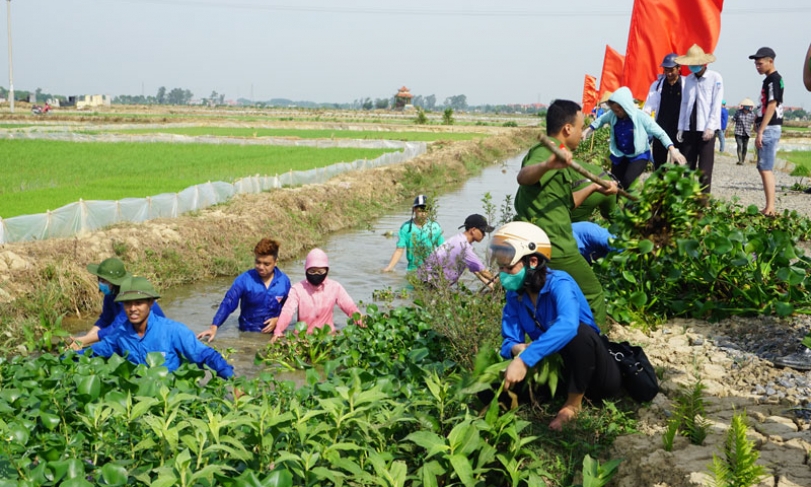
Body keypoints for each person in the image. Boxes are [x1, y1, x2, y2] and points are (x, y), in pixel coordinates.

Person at [492, 222, 622, 431]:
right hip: (560, 367)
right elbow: (509, 341)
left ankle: (573, 405)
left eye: (509, 267)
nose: (503, 273)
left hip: (595, 370)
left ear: (532, 261)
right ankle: (561, 393)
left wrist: (525, 360)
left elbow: (569, 324)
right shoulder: (515, 296)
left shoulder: (560, 283)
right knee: (493, 389)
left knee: (580, 333)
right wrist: (517, 349)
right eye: (501, 268)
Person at [514, 99, 619, 328]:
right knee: (592, 294)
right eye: (581, 128)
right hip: (556, 244)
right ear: (567, 128)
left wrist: (594, 187)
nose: (582, 135)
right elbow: (523, 177)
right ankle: (595, 348)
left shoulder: (561, 156)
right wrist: (548, 164)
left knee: (553, 300)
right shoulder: (547, 151)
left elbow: (565, 203)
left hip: (549, 241)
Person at [84, 277, 234, 379]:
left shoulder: (173, 331)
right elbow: (92, 352)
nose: (133, 309)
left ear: (150, 303)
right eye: (127, 303)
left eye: (138, 303)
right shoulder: (120, 335)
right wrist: (65, 356)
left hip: (169, 401)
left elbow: (206, 355)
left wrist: (232, 380)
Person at [583, 87, 686, 190]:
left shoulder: (640, 117)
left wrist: (672, 150)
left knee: (628, 182)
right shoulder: (612, 114)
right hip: (620, 155)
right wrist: (588, 130)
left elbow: (660, 133)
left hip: (639, 155)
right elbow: (600, 120)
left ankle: (630, 203)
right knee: (614, 184)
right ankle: (619, 204)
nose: (616, 113)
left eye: (618, 110)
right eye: (614, 110)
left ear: (625, 106)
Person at [198, 238, 291, 342]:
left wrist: (278, 320)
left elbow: (288, 308)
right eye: (258, 262)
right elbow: (228, 302)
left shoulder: (284, 282)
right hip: (246, 335)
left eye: (266, 264)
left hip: (273, 336)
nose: (261, 267)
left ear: (275, 262)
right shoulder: (244, 280)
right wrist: (214, 327)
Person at [69, 257, 165, 349]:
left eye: (104, 281)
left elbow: (117, 327)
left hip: (155, 336)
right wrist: (85, 339)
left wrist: (84, 340)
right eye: (100, 280)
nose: (100, 283)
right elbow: (105, 320)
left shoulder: (129, 300)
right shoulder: (110, 295)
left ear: (114, 283)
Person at [271, 248, 361, 341]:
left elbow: (350, 308)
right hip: (303, 338)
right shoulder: (297, 289)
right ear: (306, 270)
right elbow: (287, 311)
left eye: (320, 272)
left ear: (327, 271)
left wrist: (361, 320)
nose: (316, 275)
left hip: (328, 338)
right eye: (312, 271)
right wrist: (278, 331)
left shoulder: (335, 287)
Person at [676, 44, 724, 194]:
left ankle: (703, 201)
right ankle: (687, 198)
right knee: (687, 167)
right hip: (690, 128)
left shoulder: (715, 78)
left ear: (704, 63)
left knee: (704, 169)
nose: (693, 67)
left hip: (706, 130)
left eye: (696, 64)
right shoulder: (688, 80)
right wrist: (681, 127)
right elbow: (684, 104)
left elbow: (716, 104)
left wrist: (711, 127)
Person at [750, 47, 784, 217]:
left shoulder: (773, 80)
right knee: (763, 166)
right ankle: (768, 205)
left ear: (770, 61)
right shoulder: (771, 80)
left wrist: (761, 130)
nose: (757, 66)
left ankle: (770, 206)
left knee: (765, 168)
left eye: (760, 63)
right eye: (756, 64)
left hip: (770, 128)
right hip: (769, 127)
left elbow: (772, 104)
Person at [418, 214, 497, 288]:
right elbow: (483, 271)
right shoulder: (464, 247)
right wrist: (499, 283)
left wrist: (491, 285)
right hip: (430, 283)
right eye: (482, 231)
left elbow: (476, 270)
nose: (484, 235)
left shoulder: (458, 239)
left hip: (424, 278)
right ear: (473, 230)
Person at [643, 53, 685, 170]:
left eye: (671, 70)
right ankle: (659, 186)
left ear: (678, 68)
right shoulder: (657, 86)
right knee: (659, 163)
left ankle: (674, 187)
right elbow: (648, 108)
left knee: (677, 165)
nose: (669, 73)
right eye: (666, 70)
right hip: (660, 129)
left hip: (679, 131)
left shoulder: (685, 85)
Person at [383, 195, 444, 273]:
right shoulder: (406, 228)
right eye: (420, 210)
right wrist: (389, 267)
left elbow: (442, 249)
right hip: (412, 270)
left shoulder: (435, 227)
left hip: (431, 269)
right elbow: (399, 250)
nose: (423, 214)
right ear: (414, 209)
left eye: (426, 210)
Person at [732, 98, 756, 165]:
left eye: (748, 106)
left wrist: (755, 129)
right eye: (746, 106)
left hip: (747, 133)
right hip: (738, 132)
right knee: (739, 145)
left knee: (745, 147)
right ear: (743, 106)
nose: (747, 107)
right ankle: (740, 160)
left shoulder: (752, 114)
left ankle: (742, 160)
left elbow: (754, 123)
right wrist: (728, 128)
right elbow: (733, 120)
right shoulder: (738, 112)